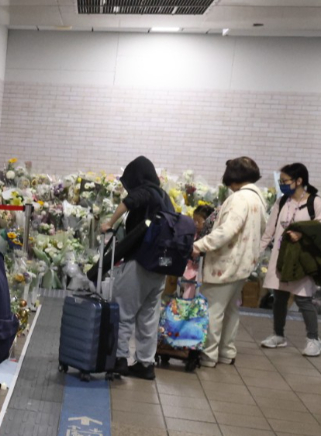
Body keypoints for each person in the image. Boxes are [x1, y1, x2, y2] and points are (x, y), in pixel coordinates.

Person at [96, 156, 174, 380]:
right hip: (160, 265)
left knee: (123, 310)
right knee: (148, 316)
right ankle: (145, 364)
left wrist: (109, 223)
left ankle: (119, 358)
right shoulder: (164, 196)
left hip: (140, 260)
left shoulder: (146, 191)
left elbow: (129, 201)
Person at [192, 157, 269, 367]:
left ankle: (208, 355)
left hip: (225, 264)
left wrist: (200, 245)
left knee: (213, 310)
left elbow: (227, 230)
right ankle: (226, 351)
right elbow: (262, 229)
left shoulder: (239, 198)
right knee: (231, 311)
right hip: (243, 264)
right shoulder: (258, 198)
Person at [259, 163, 320, 357]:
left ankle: (313, 339)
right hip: (281, 257)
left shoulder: (315, 202)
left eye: (285, 181)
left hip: (302, 260)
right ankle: (278, 335)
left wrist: (302, 234)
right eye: (281, 181)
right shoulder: (282, 201)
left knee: (303, 299)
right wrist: (257, 253)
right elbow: (270, 230)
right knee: (279, 298)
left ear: (299, 181)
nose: (282, 184)